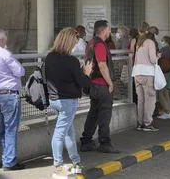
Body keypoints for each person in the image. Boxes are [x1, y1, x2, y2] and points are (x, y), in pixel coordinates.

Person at [45, 27, 92, 176]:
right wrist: (87, 73)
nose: (74, 46)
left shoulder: (49, 57)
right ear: (70, 42)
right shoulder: (71, 61)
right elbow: (83, 83)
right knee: (60, 133)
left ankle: (76, 162)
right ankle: (58, 165)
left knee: (68, 131)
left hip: (54, 100)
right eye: (74, 43)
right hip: (68, 102)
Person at [80, 20, 120, 153]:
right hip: (102, 85)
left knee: (93, 114)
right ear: (105, 30)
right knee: (104, 114)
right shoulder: (100, 45)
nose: (110, 32)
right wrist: (110, 83)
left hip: (92, 84)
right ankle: (105, 143)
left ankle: (86, 141)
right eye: (109, 29)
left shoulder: (90, 43)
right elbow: (102, 65)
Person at [0, 28, 25, 171]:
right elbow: (20, 71)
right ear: (1, 40)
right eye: (5, 40)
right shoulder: (4, 53)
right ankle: (9, 162)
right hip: (9, 95)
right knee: (11, 129)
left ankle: (4, 159)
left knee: (1, 130)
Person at [132, 22, 159, 132]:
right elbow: (152, 60)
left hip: (137, 72)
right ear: (148, 31)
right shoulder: (149, 42)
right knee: (150, 99)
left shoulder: (136, 42)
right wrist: (158, 56)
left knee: (141, 99)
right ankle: (147, 123)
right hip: (147, 73)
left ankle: (140, 123)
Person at [157, 36, 170, 120]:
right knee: (166, 93)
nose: (161, 42)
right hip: (168, 72)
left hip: (162, 72)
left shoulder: (164, 49)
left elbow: (157, 57)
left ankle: (167, 112)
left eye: (162, 40)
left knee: (161, 93)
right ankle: (168, 111)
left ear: (165, 41)